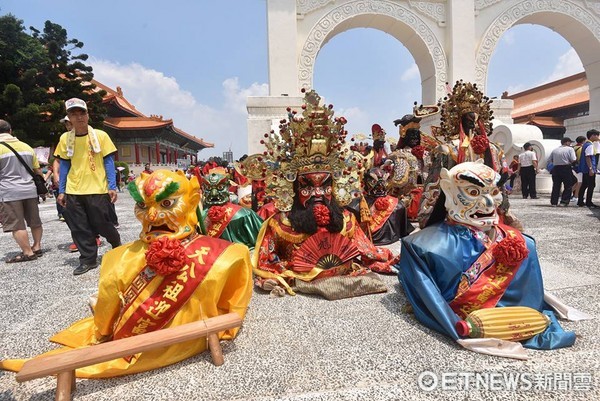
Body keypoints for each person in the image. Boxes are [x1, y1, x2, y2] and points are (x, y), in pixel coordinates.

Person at [1, 170, 253, 378]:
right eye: (143, 205)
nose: (152, 215)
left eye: (166, 203)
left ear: (192, 199)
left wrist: (103, 328)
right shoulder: (232, 255)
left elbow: (104, 327)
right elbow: (232, 312)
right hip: (195, 339)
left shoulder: (118, 259)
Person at [398, 161, 577, 357]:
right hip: (472, 322)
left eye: (493, 192)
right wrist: (456, 327)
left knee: (525, 245)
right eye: (473, 193)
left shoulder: (521, 242)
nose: (490, 203)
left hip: (509, 320)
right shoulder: (421, 246)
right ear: (448, 190)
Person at [251, 89, 398, 299]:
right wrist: (274, 275)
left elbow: (366, 250)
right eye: (307, 186)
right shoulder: (280, 223)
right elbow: (267, 259)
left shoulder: (346, 219)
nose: (318, 192)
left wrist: (386, 257)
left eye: (326, 185)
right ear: (293, 188)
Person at [54, 98, 121, 275]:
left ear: (87, 114)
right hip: (73, 189)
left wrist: (112, 186)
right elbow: (65, 165)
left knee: (102, 223)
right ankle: (88, 259)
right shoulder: (65, 139)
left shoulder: (101, 136)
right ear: (69, 117)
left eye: (82, 113)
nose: (79, 117)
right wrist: (62, 191)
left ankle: (116, 243)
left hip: (97, 189)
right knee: (79, 226)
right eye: (74, 114)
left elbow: (108, 162)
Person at [0, 120, 44, 262]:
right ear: (10, 130)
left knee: (17, 224)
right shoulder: (26, 147)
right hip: (29, 190)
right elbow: (37, 171)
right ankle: (37, 246)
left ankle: (27, 252)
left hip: (9, 192)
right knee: (34, 221)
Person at [198, 167, 263, 249]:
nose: (214, 193)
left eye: (220, 188)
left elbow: (262, 240)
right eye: (209, 188)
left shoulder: (243, 215)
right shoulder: (200, 216)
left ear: (228, 187)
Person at [347, 167, 414, 245]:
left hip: (372, 245)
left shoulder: (353, 205)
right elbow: (404, 233)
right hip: (368, 246)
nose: (379, 186)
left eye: (382, 182)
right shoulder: (354, 206)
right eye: (374, 182)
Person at [547, 137, 577, 206]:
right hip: (566, 168)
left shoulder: (555, 150)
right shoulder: (570, 149)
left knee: (556, 185)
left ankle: (554, 202)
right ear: (566, 142)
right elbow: (573, 159)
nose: (570, 144)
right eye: (569, 142)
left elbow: (549, 160)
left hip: (556, 168)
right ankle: (564, 201)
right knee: (568, 185)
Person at [576, 129, 600, 208]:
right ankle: (588, 202)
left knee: (584, 185)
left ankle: (580, 201)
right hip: (589, 169)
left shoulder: (586, 144)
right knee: (591, 185)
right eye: (597, 135)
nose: (598, 137)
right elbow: (588, 157)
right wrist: (591, 169)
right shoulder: (590, 145)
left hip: (584, 168)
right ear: (593, 135)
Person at [572, 135, 586, 200]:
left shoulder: (573, 147)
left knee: (577, 182)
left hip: (573, 167)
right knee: (580, 182)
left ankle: (567, 194)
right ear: (583, 141)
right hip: (578, 167)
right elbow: (580, 159)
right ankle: (576, 196)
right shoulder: (580, 148)